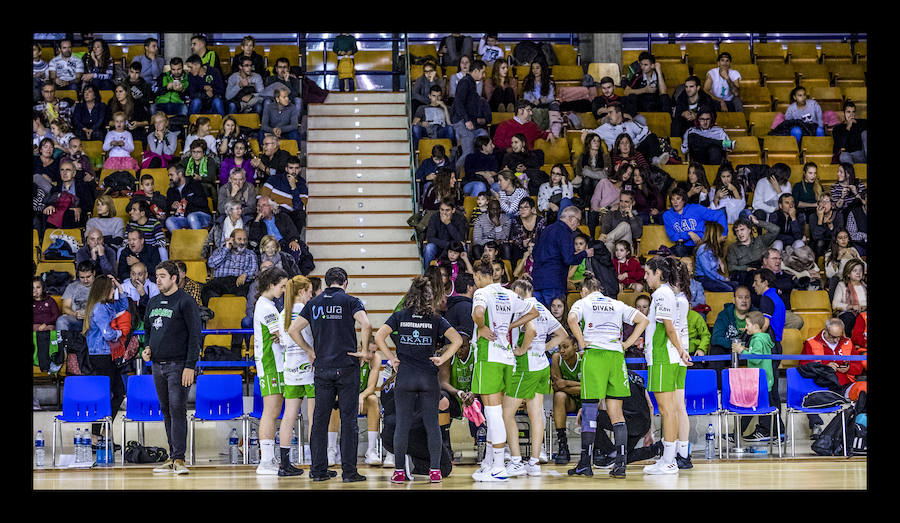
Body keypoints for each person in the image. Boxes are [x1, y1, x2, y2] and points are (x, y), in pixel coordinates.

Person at [287, 267, 372, 483]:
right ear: (345, 282)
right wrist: (363, 349)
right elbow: (366, 323)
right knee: (348, 420)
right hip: (347, 366)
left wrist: (309, 350)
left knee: (319, 420)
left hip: (323, 368)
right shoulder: (351, 301)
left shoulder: (313, 303)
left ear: (326, 283)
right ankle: (350, 473)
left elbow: (293, 330)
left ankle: (318, 471)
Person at [376, 277, 463, 483]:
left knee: (402, 425)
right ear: (429, 297)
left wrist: (391, 358)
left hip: (405, 376)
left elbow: (379, 336)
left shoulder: (399, 316)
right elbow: (458, 340)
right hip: (427, 377)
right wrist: (442, 358)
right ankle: (434, 471)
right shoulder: (435, 319)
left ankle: (398, 471)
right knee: (432, 425)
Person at [566, 272, 650, 478]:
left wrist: (581, 341)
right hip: (615, 357)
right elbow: (644, 320)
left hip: (595, 356)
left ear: (584, 291)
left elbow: (571, 319)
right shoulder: (615, 303)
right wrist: (627, 344)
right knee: (616, 413)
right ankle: (620, 465)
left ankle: (585, 463)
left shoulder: (583, 302)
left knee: (589, 411)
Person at [469, 259, 539, 482]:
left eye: (475, 278)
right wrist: (509, 327)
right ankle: (489, 463)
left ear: (480, 276)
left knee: (493, 414)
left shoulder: (482, 293)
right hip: (508, 357)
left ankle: (499, 466)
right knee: (496, 413)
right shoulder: (508, 294)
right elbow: (534, 312)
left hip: (488, 356)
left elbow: (478, 312)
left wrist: (481, 327)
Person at [502, 279, 568, 476]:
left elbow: (530, 330)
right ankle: (533, 462)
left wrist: (522, 349)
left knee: (506, 414)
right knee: (536, 414)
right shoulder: (541, 307)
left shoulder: (525, 307)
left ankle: (515, 460)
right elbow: (562, 334)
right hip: (542, 365)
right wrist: (544, 348)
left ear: (519, 292)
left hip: (526, 366)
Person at [140, 260, 199, 476]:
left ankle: (180, 459)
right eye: (157, 275)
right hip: (157, 365)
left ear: (175, 278)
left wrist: (190, 366)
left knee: (177, 410)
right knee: (166, 411)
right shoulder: (154, 302)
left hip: (179, 365)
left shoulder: (186, 301)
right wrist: (147, 347)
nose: (158, 279)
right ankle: (172, 457)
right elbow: (147, 329)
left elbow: (195, 336)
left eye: (163, 275)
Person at [249, 266, 305, 476]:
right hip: (272, 365)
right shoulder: (267, 307)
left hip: (274, 364)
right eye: (282, 286)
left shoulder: (267, 305)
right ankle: (265, 461)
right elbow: (280, 336)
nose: (283, 290)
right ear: (271, 285)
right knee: (271, 413)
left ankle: (269, 459)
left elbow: (279, 335)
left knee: (273, 413)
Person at [641, 257, 693, 475]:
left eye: (648, 272)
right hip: (666, 357)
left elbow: (670, 328)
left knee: (667, 410)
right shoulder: (667, 294)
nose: (645, 277)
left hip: (663, 356)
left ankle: (670, 460)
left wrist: (681, 350)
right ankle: (668, 458)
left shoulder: (662, 294)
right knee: (670, 409)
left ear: (658, 273)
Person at [82, 274, 129, 453]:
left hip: (107, 354)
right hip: (100, 354)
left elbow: (124, 305)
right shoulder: (100, 308)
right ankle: (97, 436)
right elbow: (108, 334)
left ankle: (105, 430)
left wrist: (119, 286)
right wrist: (120, 334)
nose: (114, 291)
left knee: (118, 392)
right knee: (105, 394)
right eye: (111, 288)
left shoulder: (107, 305)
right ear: (103, 290)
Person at [801, 318, 867, 436]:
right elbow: (804, 367)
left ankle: (857, 426)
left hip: (844, 385)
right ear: (825, 330)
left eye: (839, 337)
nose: (836, 340)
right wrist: (825, 367)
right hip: (820, 385)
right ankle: (816, 426)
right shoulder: (811, 343)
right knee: (808, 393)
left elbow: (858, 368)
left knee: (864, 388)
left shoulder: (848, 342)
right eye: (833, 336)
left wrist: (849, 368)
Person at [743, 268, 786, 441]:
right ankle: (778, 430)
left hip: (770, 347)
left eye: (756, 281)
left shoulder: (767, 298)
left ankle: (767, 430)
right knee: (771, 389)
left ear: (765, 282)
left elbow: (765, 324)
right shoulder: (777, 297)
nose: (754, 285)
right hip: (775, 346)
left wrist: (749, 336)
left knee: (766, 388)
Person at [531, 206, 594, 307]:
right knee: (554, 319)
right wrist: (585, 253)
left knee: (540, 319)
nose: (578, 225)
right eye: (578, 221)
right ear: (571, 218)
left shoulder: (546, 229)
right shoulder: (565, 232)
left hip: (538, 281)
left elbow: (534, 253)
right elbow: (568, 259)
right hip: (554, 282)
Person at [730, 310, 778, 434]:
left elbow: (756, 359)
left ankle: (737, 434)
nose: (745, 328)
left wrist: (742, 351)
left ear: (756, 327)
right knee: (757, 407)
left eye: (747, 325)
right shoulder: (763, 338)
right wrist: (746, 349)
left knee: (753, 407)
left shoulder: (757, 339)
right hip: (763, 380)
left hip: (759, 381)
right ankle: (779, 432)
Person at [584, 103, 669, 168]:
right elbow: (588, 133)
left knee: (652, 137)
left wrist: (634, 142)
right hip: (618, 155)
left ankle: (655, 160)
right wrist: (585, 135)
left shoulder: (629, 124)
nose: (608, 115)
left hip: (634, 152)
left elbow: (645, 130)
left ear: (619, 113)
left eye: (610, 112)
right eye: (608, 113)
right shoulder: (605, 127)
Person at [707, 285, 755, 387]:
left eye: (747, 297)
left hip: (747, 351)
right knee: (715, 350)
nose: (744, 301)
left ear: (751, 299)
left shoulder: (756, 314)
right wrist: (734, 345)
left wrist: (743, 347)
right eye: (740, 297)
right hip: (728, 350)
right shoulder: (724, 315)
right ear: (734, 300)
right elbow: (715, 339)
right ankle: (717, 389)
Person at [663, 187, 728, 257]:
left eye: (678, 199)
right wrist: (689, 234)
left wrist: (723, 233)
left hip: (701, 243)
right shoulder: (667, 215)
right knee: (678, 249)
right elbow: (673, 236)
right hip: (684, 247)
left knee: (706, 249)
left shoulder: (696, 208)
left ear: (684, 200)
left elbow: (719, 214)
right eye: (673, 199)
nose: (675, 202)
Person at [247, 195, 309, 267]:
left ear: (271, 207)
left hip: (284, 244)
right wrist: (257, 221)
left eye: (264, 205)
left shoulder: (283, 217)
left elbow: (292, 231)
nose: (260, 208)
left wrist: (293, 240)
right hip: (268, 248)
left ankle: (293, 272)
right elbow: (254, 239)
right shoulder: (255, 222)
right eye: (258, 206)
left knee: (295, 249)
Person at [202, 228, 258, 306]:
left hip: (239, 281)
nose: (242, 242)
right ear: (232, 240)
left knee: (249, 292)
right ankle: (210, 314)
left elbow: (254, 269)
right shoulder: (220, 250)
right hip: (220, 281)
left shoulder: (250, 254)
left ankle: (243, 316)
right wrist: (226, 249)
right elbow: (211, 264)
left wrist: (245, 274)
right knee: (207, 290)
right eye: (239, 239)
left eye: (245, 239)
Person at [450, 59, 489, 169]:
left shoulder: (470, 82)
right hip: (461, 121)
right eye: (483, 72)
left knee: (482, 137)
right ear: (476, 71)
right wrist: (467, 120)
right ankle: (454, 174)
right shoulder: (465, 82)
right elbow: (458, 102)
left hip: (466, 121)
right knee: (468, 151)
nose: (484, 75)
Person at [549, 336, 581, 463]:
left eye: (565, 347)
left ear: (575, 346)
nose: (562, 351)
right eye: (560, 348)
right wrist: (577, 386)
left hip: (586, 399)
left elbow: (589, 389)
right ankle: (563, 446)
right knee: (559, 396)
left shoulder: (584, 358)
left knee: (595, 398)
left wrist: (566, 383)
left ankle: (598, 447)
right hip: (570, 401)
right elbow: (557, 386)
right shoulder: (557, 358)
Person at [258, 156, 308, 235]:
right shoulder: (274, 179)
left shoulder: (302, 186)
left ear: (300, 169)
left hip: (290, 215)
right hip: (274, 210)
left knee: (301, 214)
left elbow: (299, 207)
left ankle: (295, 241)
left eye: (296, 168)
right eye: (291, 168)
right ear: (286, 169)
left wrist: (294, 188)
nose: (294, 171)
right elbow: (263, 197)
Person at [725, 215, 779, 286]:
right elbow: (731, 267)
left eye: (742, 229)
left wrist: (757, 222)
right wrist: (746, 268)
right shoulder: (733, 248)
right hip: (746, 275)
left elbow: (775, 230)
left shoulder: (760, 241)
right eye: (737, 231)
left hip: (762, 271)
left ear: (749, 230)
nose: (740, 233)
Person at [42, 160, 94, 230]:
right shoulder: (56, 187)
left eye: (68, 170)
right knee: (46, 212)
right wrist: (50, 206)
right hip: (58, 215)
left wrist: (80, 209)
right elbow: (48, 201)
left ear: (74, 173)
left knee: (70, 213)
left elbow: (89, 204)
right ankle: (46, 238)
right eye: (62, 170)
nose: (64, 173)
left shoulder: (82, 186)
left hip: (74, 216)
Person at [164, 164, 212, 231]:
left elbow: (204, 202)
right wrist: (172, 206)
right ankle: (182, 241)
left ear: (180, 174)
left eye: (171, 175)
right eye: (169, 175)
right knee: (169, 221)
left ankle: (199, 241)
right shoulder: (170, 190)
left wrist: (188, 200)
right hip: (184, 218)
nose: (170, 178)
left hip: (202, 216)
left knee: (192, 217)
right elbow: (167, 207)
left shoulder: (194, 184)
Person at [424, 198, 468, 268]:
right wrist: (447, 245)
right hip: (439, 247)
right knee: (429, 247)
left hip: (454, 249)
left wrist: (448, 224)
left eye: (447, 210)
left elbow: (461, 239)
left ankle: (462, 274)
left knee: (463, 247)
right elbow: (430, 238)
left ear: (453, 210)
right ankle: (427, 274)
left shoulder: (460, 218)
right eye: (442, 210)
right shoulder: (434, 217)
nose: (444, 213)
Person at [694, 222, 737, 292]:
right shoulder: (703, 249)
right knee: (729, 288)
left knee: (736, 284)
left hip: (711, 277)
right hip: (703, 278)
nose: (723, 237)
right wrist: (723, 279)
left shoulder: (713, 248)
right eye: (721, 235)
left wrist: (719, 261)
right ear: (715, 235)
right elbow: (708, 271)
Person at [56, 261, 96, 332]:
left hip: (94, 320)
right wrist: (75, 314)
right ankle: (63, 343)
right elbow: (65, 308)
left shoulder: (100, 286)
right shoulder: (72, 287)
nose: (85, 280)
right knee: (61, 320)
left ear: (94, 273)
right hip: (76, 319)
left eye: (88, 277)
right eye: (82, 277)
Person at [411, 85, 454, 150]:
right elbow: (414, 123)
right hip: (427, 130)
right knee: (416, 128)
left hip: (440, 130)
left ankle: (452, 151)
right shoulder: (422, 108)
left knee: (450, 128)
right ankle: (417, 151)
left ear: (441, 97)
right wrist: (421, 123)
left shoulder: (447, 108)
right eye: (434, 96)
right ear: (429, 96)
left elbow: (449, 124)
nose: (436, 99)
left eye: (438, 96)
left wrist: (444, 108)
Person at [180, 139, 219, 209]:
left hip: (204, 188)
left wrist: (200, 178)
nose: (195, 154)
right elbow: (178, 170)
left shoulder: (210, 161)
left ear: (204, 153)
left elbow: (212, 177)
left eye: (198, 152)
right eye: (193, 152)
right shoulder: (186, 160)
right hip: (188, 187)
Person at [832, 259, 867, 335]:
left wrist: (864, 307)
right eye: (855, 271)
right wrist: (851, 306)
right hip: (848, 314)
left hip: (863, 313)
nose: (858, 273)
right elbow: (835, 305)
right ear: (848, 274)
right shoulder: (842, 285)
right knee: (849, 317)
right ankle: (848, 342)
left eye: (860, 270)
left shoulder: (865, 286)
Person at [810, 194, 844, 259]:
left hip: (834, 242)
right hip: (818, 245)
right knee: (820, 243)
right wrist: (820, 219)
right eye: (821, 201)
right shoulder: (813, 216)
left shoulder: (838, 216)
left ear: (832, 205)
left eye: (827, 201)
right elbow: (816, 237)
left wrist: (831, 228)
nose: (824, 203)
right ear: (818, 204)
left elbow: (838, 236)